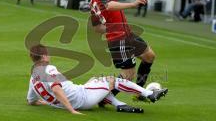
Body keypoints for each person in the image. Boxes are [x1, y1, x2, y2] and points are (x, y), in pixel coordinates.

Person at [27, 44, 168, 114]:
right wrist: (71, 110)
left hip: (79, 93)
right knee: (112, 80)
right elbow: (56, 89)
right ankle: (149, 94)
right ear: (44, 56)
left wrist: (50, 103)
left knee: (95, 80)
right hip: (82, 99)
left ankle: (119, 105)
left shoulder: (33, 78)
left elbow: (31, 100)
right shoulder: (49, 68)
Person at [89, 0, 158, 105]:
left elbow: (97, 28)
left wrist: (113, 28)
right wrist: (133, 4)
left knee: (149, 56)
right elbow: (109, 5)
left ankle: (140, 93)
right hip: (119, 38)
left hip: (126, 34)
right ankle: (104, 99)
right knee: (128, 75)